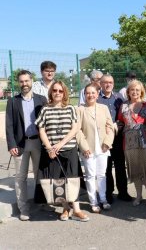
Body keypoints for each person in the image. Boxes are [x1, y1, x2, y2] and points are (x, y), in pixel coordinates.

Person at [36, 81, 89, 222]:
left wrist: (60, 144)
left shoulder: (70, 108)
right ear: (51, 92)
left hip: (69, 149)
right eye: (55, 90)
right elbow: (41, 130)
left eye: (60, 91)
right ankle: (66, 208)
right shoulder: (45, 109)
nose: (57, 93)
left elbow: (75, 128)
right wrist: (49, 148)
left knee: (72, 179)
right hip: (53, 152)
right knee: (58, 180)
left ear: (64, 92)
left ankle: (77, 210)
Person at [6, 70, 47, 221]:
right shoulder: (13, 101)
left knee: (39, 174)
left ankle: (42, 202)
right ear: (19, 83)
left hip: (38, 142)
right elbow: (9, 125)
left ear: (32, 81)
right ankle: (24, 209)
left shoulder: (41, 99)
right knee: (21, 177)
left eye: (27, 81)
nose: (24, 84)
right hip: (20, 144)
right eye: (21, 81)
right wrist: (11, 144)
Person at [77, 83, 115, 213]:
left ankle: (103, 199)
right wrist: (84, 147)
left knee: (101, 175)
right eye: (88, 93)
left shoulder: (103, 108)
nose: (90, 95)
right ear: (84, 95)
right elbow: (78, 130)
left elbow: (110, 127)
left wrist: (107, 142)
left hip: (103, 148)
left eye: (93, 92)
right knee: (90, 175)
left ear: (97, 94)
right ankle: (93, 201)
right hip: (88, 149)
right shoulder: (80, 110)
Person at [118, 80, 146, 206]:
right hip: (129, 144)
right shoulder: (123, 106)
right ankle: (139, 196)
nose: (135, 92)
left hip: (145, 142)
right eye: (132, 90)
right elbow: (120, 123)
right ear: (128, 92)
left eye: (137, 90)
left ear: (141, 92)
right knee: (135, 170)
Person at [98, 74, 132, 203]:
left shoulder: (119, 98)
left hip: (118, 138)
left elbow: (123, 116)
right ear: (101, 84)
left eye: (110, 82)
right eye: (105, 82)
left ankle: (123, 192)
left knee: (120, 166)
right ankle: (108, 193)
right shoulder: (97, 98)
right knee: (105, 168)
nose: (108, 85)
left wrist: (118, 124)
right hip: (103, 139)